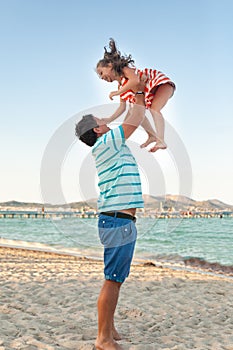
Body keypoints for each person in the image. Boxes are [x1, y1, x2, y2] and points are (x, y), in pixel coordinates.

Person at [75, 90, 146, 350]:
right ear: (98, 130)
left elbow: (132, 115)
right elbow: (136, 117)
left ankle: (110, 329)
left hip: (118, 221)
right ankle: (102, 339)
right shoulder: (107, 142)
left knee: (116, 279)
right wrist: (137, 91)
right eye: (101, 120)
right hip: (117, 221)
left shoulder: (107, 144)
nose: (106, 120)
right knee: (112, 280)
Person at [96, 38, 176, 152]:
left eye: (101, 73)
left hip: (160, 84)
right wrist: (109, 119)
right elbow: (121, 107)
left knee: (154, 109)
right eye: (100, 77)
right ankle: (152, 135)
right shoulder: (121, 86)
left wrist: (117, 92)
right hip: (150, 92)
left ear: (110, 65)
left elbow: (136, 80)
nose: (102, 77)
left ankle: (161, 140)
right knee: (135, 109)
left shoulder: (125, 70)